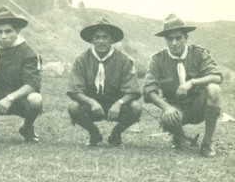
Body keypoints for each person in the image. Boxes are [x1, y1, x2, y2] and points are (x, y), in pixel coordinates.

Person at [143, 14, 222, 157]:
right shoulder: (159, 59)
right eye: (170, 39)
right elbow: (148, 91)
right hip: (176, 109)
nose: (174, 43)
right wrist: (166, 108)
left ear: (186, 38)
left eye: (178, 38)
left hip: (198, 106)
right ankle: (178, 136)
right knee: (167, 118)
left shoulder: (198, 53)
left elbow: (217, 77)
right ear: (165, 40)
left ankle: (207, 143)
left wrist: (192, 82)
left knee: (214, 89)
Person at [67, 18, 142, 147]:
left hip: (116, 106)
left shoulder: (124, 60)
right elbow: (74, 90)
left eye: (105, 37)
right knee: (73, 107)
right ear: (92, 40)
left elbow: (133, 91)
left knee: (136, 107)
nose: (101, 41)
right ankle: (94, 134)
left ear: (111, 40)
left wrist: (119, 103)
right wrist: (92, 102)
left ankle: (116, 135)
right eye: (97, 37)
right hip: (91, 106)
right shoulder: (81, 60)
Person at [0, 6, 43, 143]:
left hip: (20, 98)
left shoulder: (28, 51)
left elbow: (32, 84)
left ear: (17, 31)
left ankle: (27, 128)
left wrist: (10, 98)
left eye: (8, 31)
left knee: (36, 99)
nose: (3, 36)